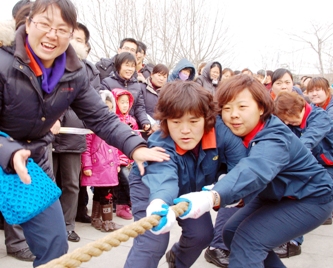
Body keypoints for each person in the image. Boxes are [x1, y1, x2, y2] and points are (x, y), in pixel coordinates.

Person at [0, 0, 169, 266]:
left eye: (62, 28)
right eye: (44, 24)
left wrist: (135, 146)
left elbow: (101, 117)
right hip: (5, 153)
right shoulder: (3, 62)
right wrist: (8, 151)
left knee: (55, 246)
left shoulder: (73, 72)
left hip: (30, 165)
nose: (52, 34)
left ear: (71, 34)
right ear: (28, 24)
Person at [174, 74, 333, 268]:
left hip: (311, 198)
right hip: (274, 194)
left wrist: (212, 196)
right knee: (230, 233)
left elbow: (254, 169)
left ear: (261, 107)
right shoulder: (232, 130)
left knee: (248, 241)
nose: (233, 114)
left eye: (242, 107)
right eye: (226, 108)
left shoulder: (275, 137)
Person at [124, 81, 247, 268]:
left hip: (193, 189)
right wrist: (158, 202)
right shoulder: (161, 141)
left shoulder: (224, 133)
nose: (185, 130)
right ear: (165, 121)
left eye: (194, 121)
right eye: (176, 121)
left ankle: (176, 262)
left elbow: (241, 168)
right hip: (151, 185)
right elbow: (163, 177)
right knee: (152, 242)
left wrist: (223, 184)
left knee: (202, 235)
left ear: (207, 119)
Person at [51, 22, 95, 243]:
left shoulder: (89, 71)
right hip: (49, 134)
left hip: (73, 134)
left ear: (86, 45)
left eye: (79, 39)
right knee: (48, 183)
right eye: (71, 37)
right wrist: (54, 118)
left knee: (70, 183)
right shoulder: (51, 63)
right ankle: (49, 226)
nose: (74, 43)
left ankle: (68, 226)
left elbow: (86, 103)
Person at [0, 1, 35, 263]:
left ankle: (17, 241)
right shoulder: (5, 55)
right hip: (5, 142)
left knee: (18, 191)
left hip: (20, 143)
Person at [274, 90, 333, 225]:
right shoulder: (291, 123)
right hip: (315, 162)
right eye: (284, 119)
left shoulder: (320, 117)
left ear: (299, 108)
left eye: (289, 117)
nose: (287, 122)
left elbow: (308, 141)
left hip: (329, 164)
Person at [81, 90, 123, 232]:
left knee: (103, 192)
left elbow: (116, 146)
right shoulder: (91, 126)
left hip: (109, 166)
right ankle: (106, 221)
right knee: (105, 193)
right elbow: (86, 147)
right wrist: (87, 164)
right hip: (98, 165)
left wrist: (117, 163)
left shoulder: (112, 126)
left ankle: (97, 218)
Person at [101, 52, 151, 132]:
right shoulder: (107, 83)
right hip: (112, 127)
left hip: (130, 125)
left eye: (132, 66)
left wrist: (144, 121)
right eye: (127, 65)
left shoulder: (137, 85)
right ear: (119, 66)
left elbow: (139, 107)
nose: (130, 69)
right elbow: (104, 107)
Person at [141, 63, 169, 140]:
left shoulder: (167, 92)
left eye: (164, 77)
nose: (161, 79)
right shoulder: (141, 87)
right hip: (144, 130)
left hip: (161, 132)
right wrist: (151, 124)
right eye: (159, 75)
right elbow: (139, 108)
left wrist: (161, 126)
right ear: (152, 74)